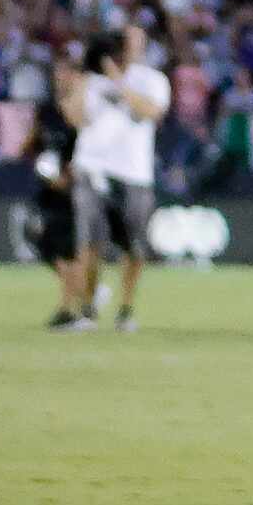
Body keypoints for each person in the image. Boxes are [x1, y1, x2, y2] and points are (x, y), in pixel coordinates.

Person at [67, 27, 171, 333]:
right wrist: (78, 85)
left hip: (134, 172)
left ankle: (125, 309)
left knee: (134, 246)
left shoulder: (153, 80)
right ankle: (87, 309)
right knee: (89, 241)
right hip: (93, 168)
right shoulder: (91, 81)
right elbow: (77, 119)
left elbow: (150, 111)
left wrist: (118, 80)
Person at [27, 54, 87, 329]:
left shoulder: (84, 111)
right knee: (40, 240)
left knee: (69, 250)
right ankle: (84, 295)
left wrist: (70, 176)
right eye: (58, 73)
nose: (61, 78)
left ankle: (69, 309)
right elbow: (36, 142)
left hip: (75, 189)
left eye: (67, 73)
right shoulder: (47, 109)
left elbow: (90, 146)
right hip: (49, 188)